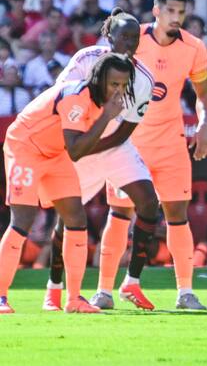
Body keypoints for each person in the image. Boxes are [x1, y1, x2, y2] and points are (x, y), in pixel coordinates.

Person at [42, 8, 158, 311]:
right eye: (125, 37)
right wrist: (76, 148)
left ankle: (131, 283)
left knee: (148, 201)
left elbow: (122, 135)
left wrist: (86, 149)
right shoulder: (84, 59)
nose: (130, 43)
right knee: (65, 220)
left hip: (113, 146)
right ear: (109, 36)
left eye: (135, 38)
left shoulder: (144, 78)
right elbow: (60, 102)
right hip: (78, 143)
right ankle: (53, 289)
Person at [0, 53, 133, 314]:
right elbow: (75, 150)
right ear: (99, 79)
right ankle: (0, 296)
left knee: (76, 218)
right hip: (25, 147)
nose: (118, 90)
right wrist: (107, 116)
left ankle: (73, 299)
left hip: (54, 153)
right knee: (23, 219)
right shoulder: (76, 97)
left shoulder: (100, 101)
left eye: (123, 85)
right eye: (113, 84)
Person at [106, 0, 207, 310]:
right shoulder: (132, 38)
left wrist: (205, 124)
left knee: (177, 214)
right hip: (130, 140)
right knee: (120, 213)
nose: (177, 18)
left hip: (170, 141)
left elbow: (203, 93)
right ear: (156, 11)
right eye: (171, 11)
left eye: (181, 12)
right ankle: (103, 290)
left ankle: (185, 292)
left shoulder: (194, 47)